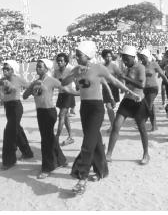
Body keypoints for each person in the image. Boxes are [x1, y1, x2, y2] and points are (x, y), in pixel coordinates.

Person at [61, 41, 139, 195]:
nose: (76, 57)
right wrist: (74, 73)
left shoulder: (98, 68)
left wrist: (131, 92)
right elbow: (64, 82)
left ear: (88, 55)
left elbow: (114, 81)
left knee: (88, 143)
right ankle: (102, 170)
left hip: (96, 108)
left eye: (79, 54)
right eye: (76, 54)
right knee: (95, 141)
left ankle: (82, 178)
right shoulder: (77, 69)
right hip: (84, 108)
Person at [23, 59, 79, 179]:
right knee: (50, 137)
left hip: (49, 112)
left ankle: (47, 167)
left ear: (46, 69)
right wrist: (31, 89)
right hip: (40, 112)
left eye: (40, 67)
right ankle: (61, 160)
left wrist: (80, 93)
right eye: (37, 66)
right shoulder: (35, 82)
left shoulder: (52, 80)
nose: (37, 68)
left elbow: (65, 89)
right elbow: (25, 95)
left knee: (45, 140)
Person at [106, 45, 150, 165]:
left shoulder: (140, 67)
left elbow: (141, 85)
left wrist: (125, 78)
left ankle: (146, 154)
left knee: (141, 129)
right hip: (127, 100)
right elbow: (124, 84)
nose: (125, 61)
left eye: (126, 58)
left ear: (132, 57)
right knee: (116, 126)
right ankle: (108, 154)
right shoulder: (126, 68)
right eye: (123, 58)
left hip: (138, 100)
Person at [0, 60, 34, 170]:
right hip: (8, 107)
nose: (4, 70)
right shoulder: (3, 79)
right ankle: (27, 153)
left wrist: (36, 89)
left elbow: (29, 86)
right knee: (17, 130)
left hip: (16, 107)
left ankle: (9, 161)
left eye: (7, 69)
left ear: (13, 70)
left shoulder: (17, 78)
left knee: (9, 133)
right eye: (4, 68)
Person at [137, 48, 168, 131]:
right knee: (149, 106)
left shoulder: (154, 64)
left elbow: (163, 75)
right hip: (144, 89)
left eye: (143, 57)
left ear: (147, 57)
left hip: (153, 88)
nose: (142, 59)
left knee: (149, 105)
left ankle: (148, 123)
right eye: (141, 58)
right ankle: (153, 124)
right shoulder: (140, 66)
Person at [53, 53, 75, 146]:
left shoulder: (70, 69)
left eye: (61, 61)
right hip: (61, 95)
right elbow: (53, 83)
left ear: (66, 62)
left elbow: (77, 80)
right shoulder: (56, 72)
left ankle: (56, 137)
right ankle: (70, 136)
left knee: (61, 115)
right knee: (65, 117)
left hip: (69, 94)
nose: (59, 62)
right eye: (58, 61)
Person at [100, 49, 122, 131]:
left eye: (110, 56)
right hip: (105, 87)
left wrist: (121, 86)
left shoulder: (114, 66)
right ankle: (113, 125)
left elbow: (120, 75)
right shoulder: (101, 66)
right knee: (108, 106)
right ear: (103, 57)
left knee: (112, 106)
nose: (108, 58)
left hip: (113, 87)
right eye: (106, 56)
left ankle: (114, 123)